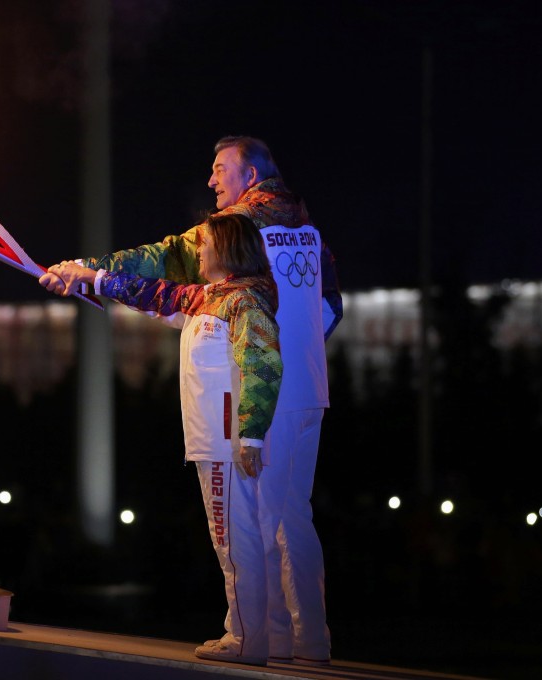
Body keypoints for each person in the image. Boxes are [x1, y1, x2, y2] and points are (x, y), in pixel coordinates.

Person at [41, 135, 342, 665]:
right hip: (306, 389)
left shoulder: (235, 230)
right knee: (292, 515)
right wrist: (299, 354)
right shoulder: (309, 231)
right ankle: (307, 638)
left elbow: (162, 262)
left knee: (249, 519)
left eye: (220, 168)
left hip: (255, 392)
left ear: (251, 176)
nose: (211, 180)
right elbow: (332, 307)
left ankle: (254, 636)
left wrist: (87, 269)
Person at [43, 213, 283, 665]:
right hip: (214, 440)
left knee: (236, 537)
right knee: (230, 538)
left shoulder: (245, 301)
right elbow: (149, 292)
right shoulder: (206, 298)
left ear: (228, 248)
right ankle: (244, 632)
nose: (197, 250)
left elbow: (263, 365)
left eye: (205, 243)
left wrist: (250, 434)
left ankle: (249, 640)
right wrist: (84, 276)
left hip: (228, 441)